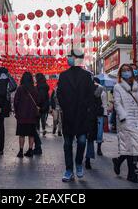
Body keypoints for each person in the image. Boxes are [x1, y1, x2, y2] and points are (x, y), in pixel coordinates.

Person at [57, 50, 94, 182]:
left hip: (82, 115)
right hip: (68, 114)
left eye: (71, 57)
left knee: (82, 141)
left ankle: (78, 163)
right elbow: (59, 94)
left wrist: (87, 108)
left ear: (77, 59)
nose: (68, 58)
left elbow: (91, 95)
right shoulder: (63, 75)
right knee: (67, 144)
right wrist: (65, 106)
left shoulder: (87, 76)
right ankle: (68, 170)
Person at [111, 64, 138, 184]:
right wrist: (123, 116)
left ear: (132, 72)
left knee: (133, 146)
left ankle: (118, 161)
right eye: (124, 71)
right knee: (131, 146)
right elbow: (117, 103)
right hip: (125, 120)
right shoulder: (117, 87)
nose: (126, 72)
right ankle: (131, 174)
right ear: (121, 73)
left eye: (128, 70)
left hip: (137, 119)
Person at [14, 72, 39, 158]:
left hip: (22, 115)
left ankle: (21, 151)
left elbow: (16, 102)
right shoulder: (35, 89)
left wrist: (16, 112)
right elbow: (38, 101)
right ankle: (31, 150)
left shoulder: (20, 89)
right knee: (31, 134)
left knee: (22, 134)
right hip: (32, 116)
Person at [85, 77, 108, 169]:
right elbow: (104, 104)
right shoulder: (100, 89)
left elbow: (104, 103)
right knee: (95, 135)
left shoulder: (98, 89)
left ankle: (88, 157)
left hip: (92, 115)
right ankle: (89, 157)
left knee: (91, 137)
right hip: (95, 115)